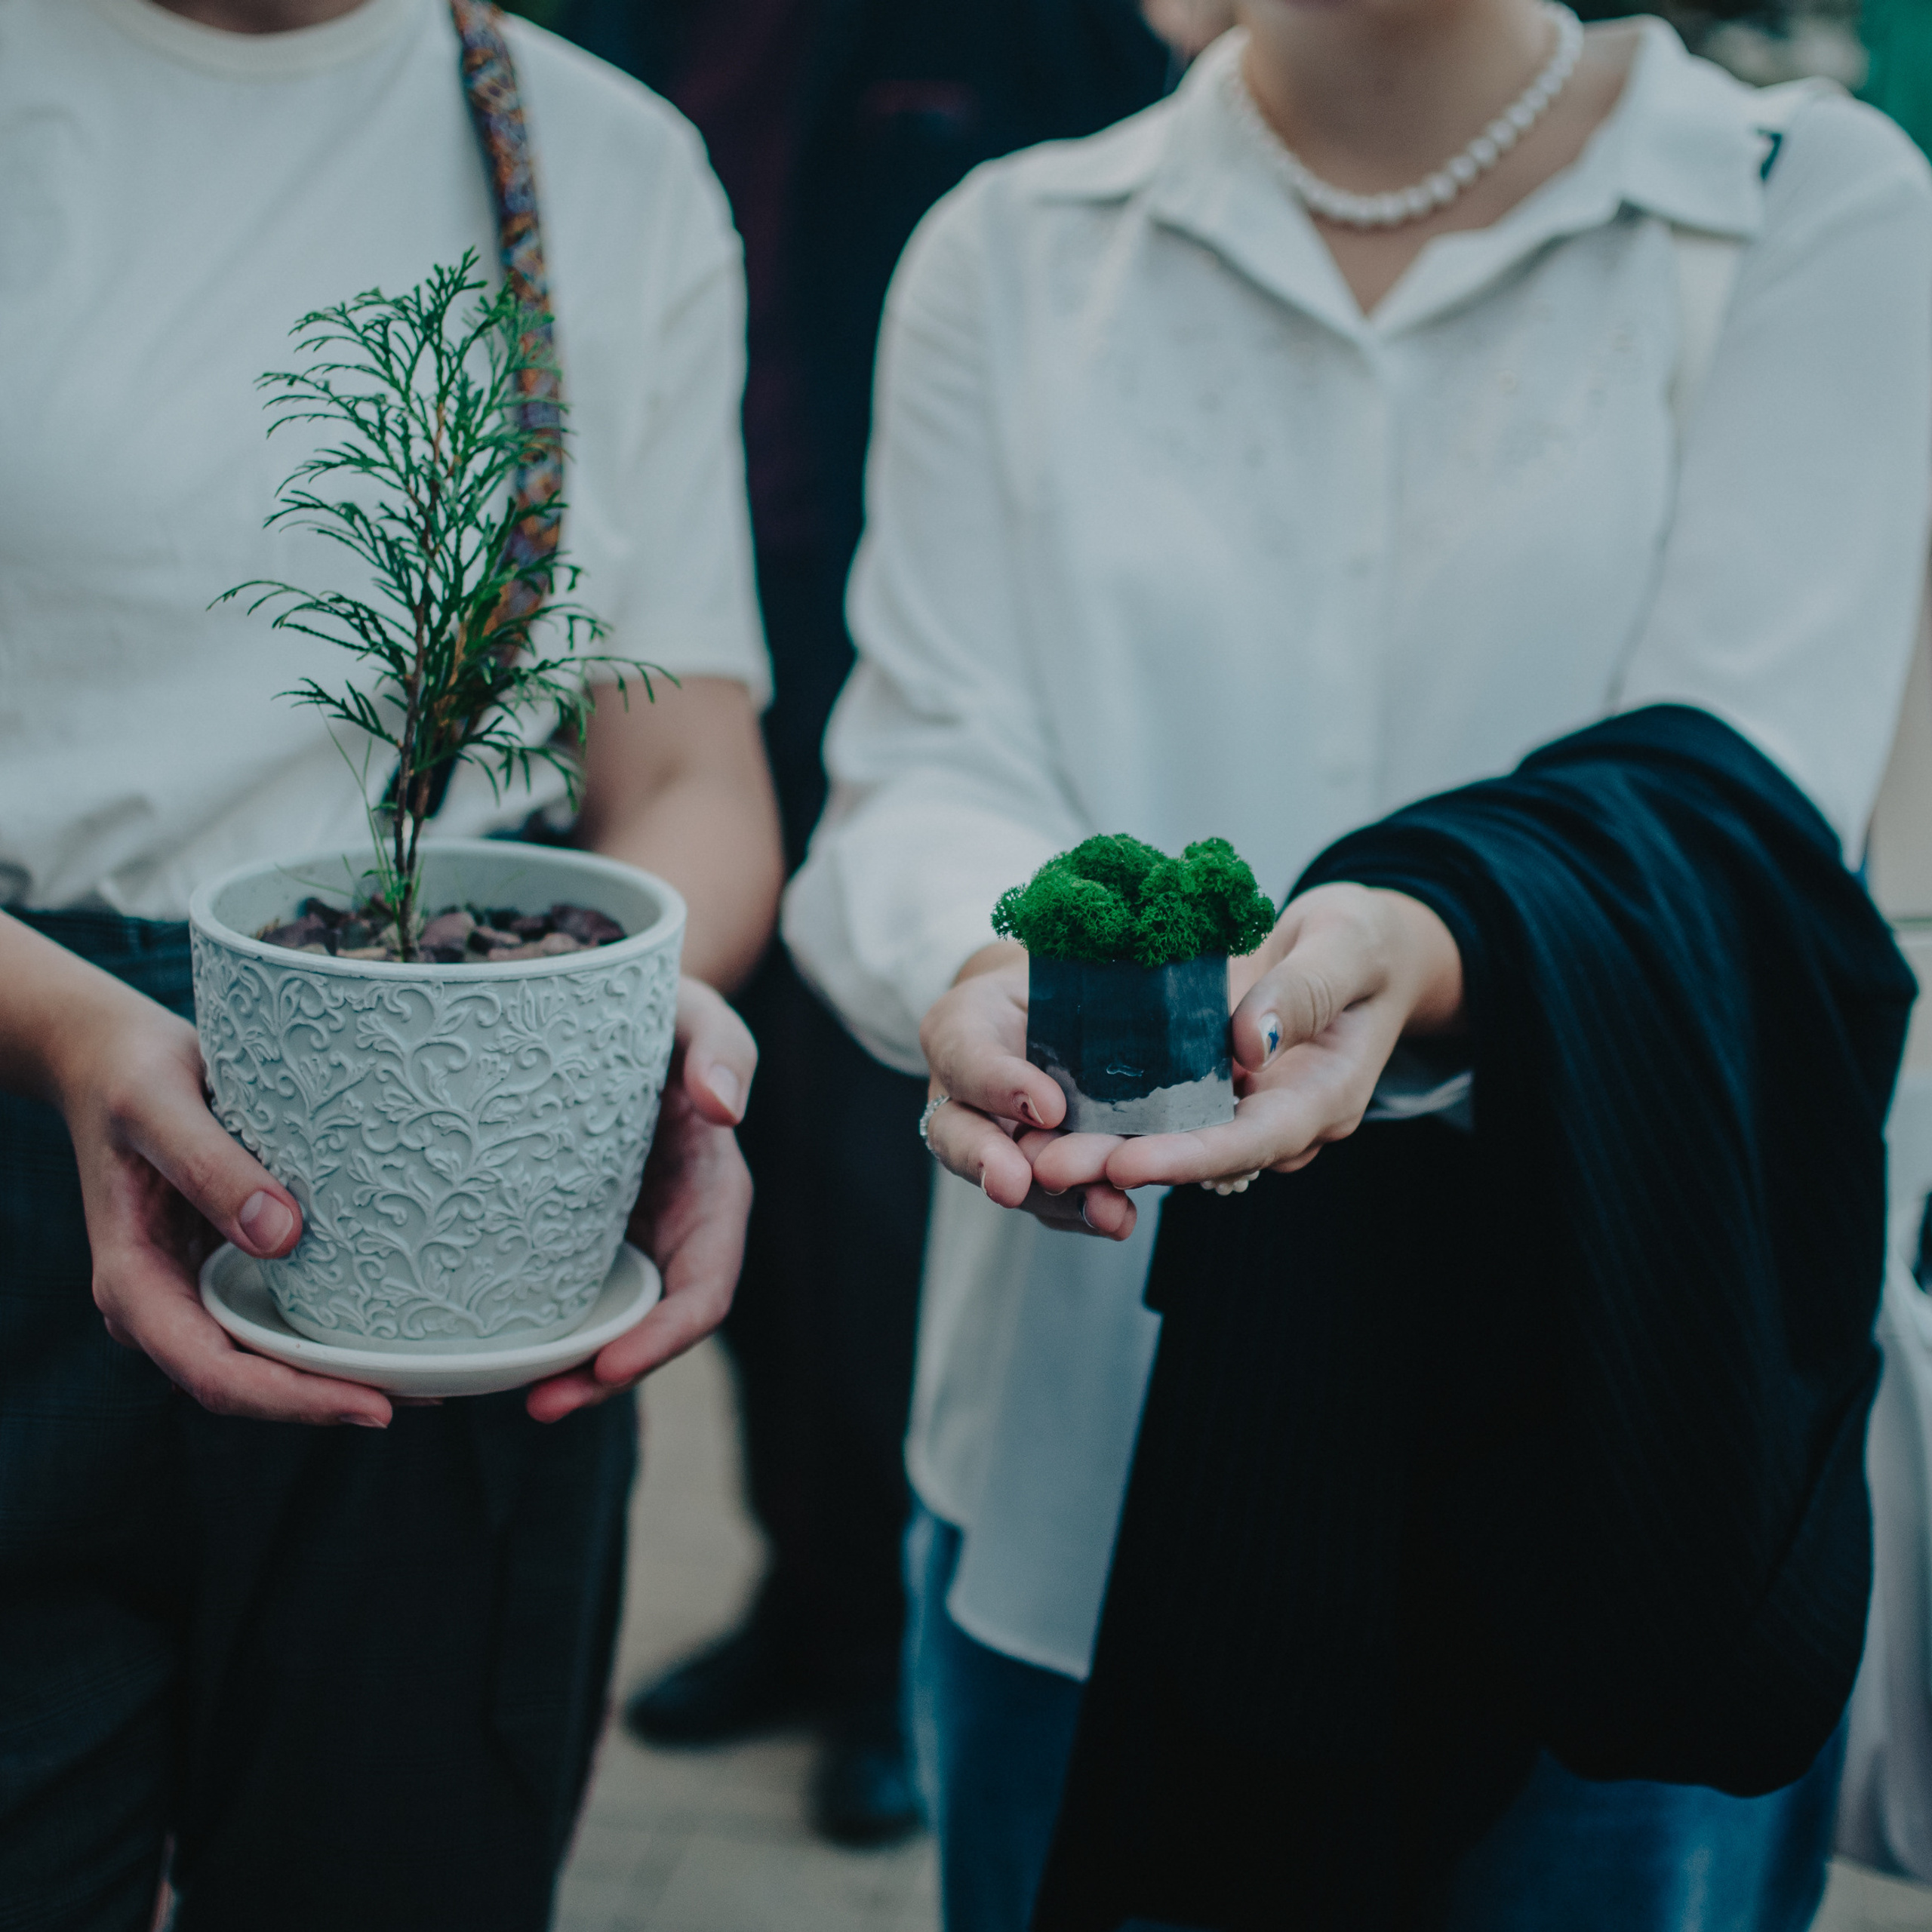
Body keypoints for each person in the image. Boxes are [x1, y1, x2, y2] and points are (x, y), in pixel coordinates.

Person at [782, 0, 1932, 1925]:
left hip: (1618, 1408)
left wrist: (1420, 942)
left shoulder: (1793, 202)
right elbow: (924, 757)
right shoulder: (1014, 244)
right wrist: (990, 961)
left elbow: (1738, 804)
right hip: (1096, 1403)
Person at [0, 0, 783, 1926]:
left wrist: (631, 1031)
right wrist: (68, 1027)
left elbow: (688, 770)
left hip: (450, 1170)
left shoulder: (600, 161)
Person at [554, 0, 1171, 1844]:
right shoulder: (621, 32)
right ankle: (798, 1587)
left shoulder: (1031, 34)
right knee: (718, 1156)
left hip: (897, 652)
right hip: (666, 667)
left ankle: (879, 1651)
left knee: (865, 1196)